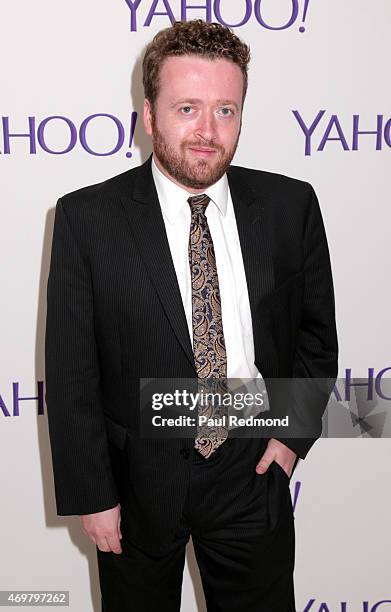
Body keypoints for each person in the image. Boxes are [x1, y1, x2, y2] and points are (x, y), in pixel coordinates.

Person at [45, 19, 338, 612]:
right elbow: (73, 371)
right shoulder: (87, 219)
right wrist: (93, 495)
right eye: (187, 108)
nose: (207, 131)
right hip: (135, 484)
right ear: (149, 115)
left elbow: (316, 337)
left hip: (251, 470)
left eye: (225, 110)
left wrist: (288, 439)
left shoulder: (290, 206)